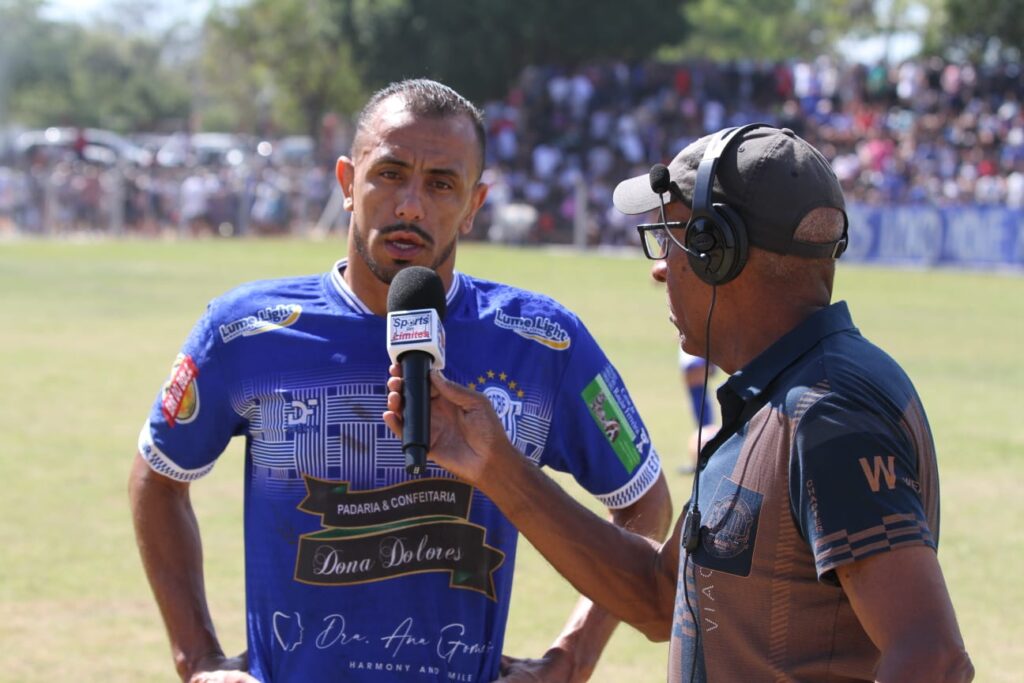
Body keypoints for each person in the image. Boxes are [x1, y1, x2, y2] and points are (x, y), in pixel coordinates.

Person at [384, 124, 974, 681]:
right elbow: (657, 594)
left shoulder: (827, 410)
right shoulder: (781, 396)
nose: (660, 271)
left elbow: (933, 657)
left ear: (719, 251)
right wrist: (494, 465)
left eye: (667, 240)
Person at [129, 78, 672, 683]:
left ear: (474, 205)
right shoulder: (245, 330)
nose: (410, 205)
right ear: (346, 182)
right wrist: (196, 656)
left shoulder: (543, 342)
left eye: (442, 184)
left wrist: (571, 658)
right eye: (390, 174)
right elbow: (158, 478)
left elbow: (643, 501)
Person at [676, 348, 717, 474]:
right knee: (693, 382)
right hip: (696, 340)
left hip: (701, 341)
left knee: (695, 377)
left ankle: (708, 453)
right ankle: (705, 454)